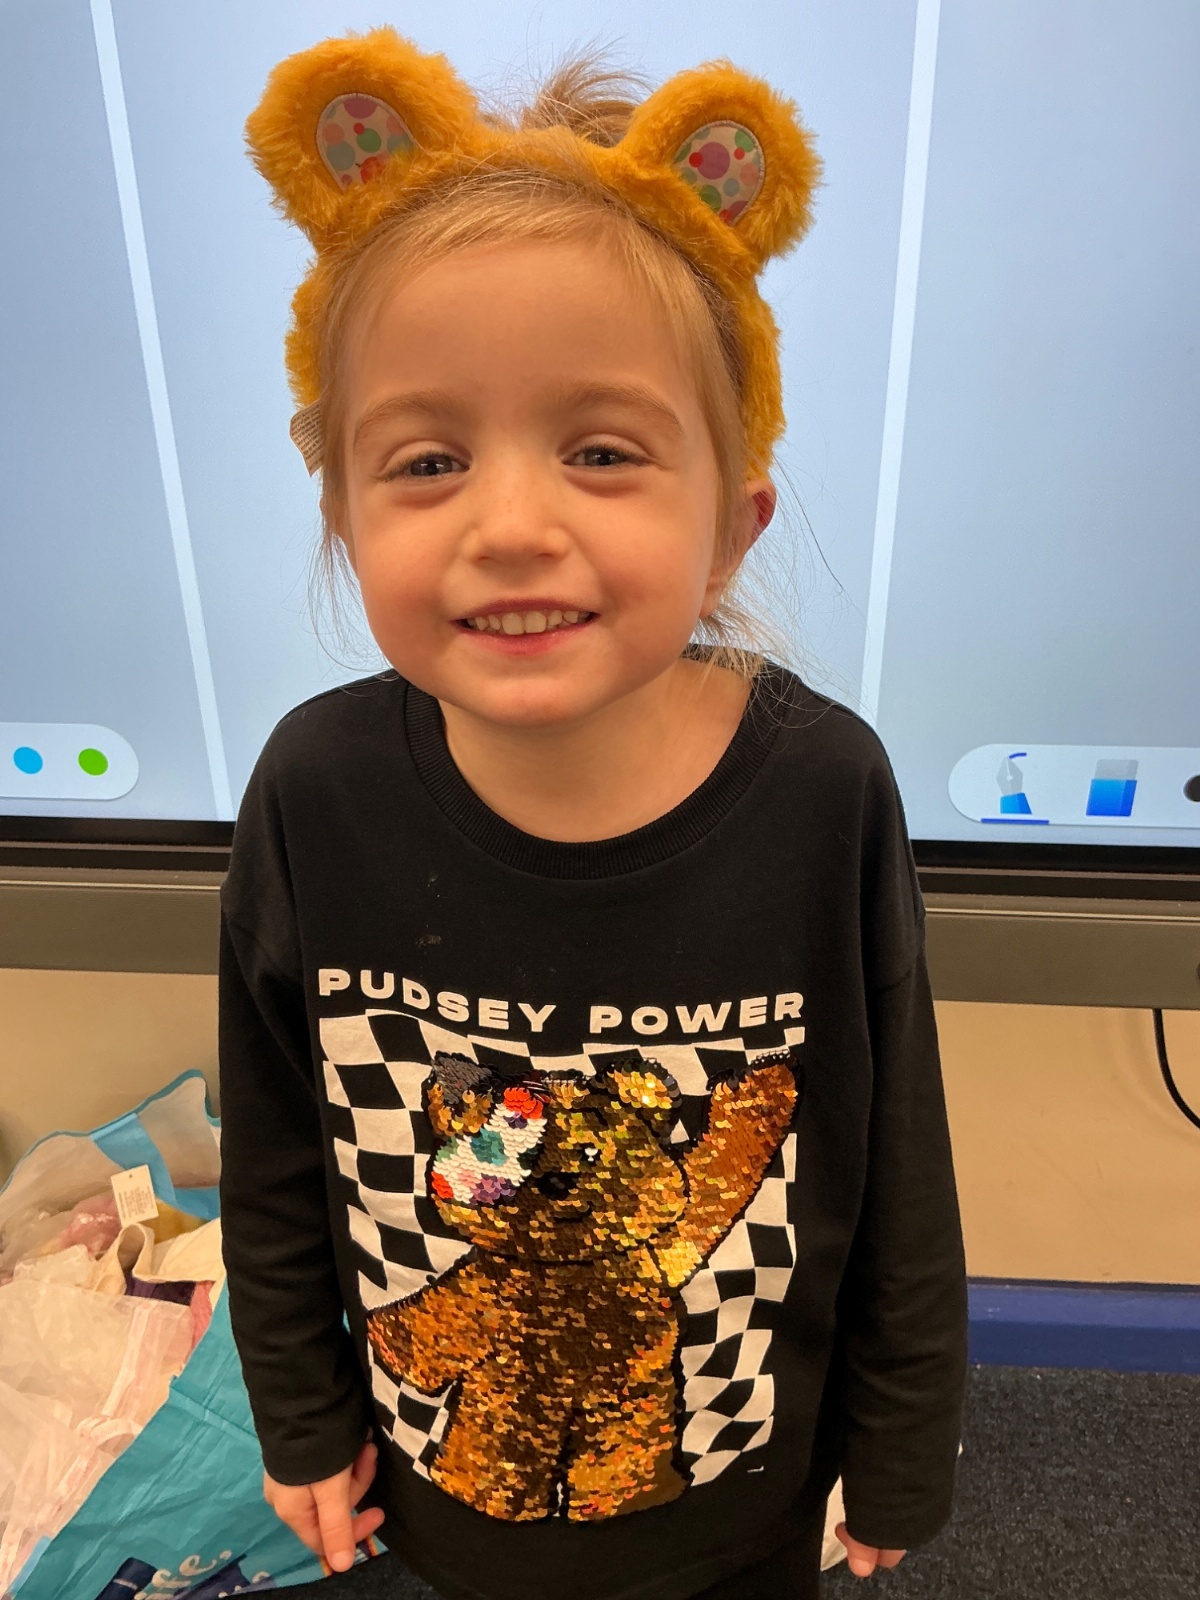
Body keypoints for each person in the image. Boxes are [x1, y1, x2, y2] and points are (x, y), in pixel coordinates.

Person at [218, 26, 968, 1600]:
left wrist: (904, 1441)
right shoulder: (313, 792)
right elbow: (281, 1153)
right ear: (343, 511)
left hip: (740, 1507)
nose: (509, 524)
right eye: (428, 459)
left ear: (730, 525)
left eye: (602, 450)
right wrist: (301, 1415)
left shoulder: (825, 790)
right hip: (450, 1506)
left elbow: (895, 1160)